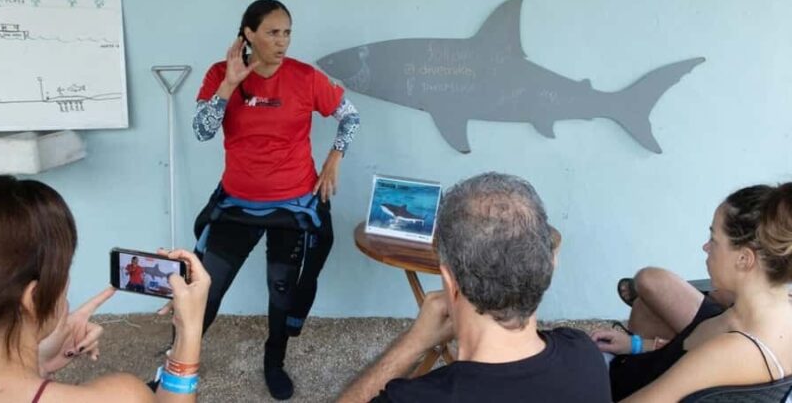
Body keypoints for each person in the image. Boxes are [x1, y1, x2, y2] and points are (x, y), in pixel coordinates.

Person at [190, 0, 360, 400]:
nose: (282, 41)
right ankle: (179, 363)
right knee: (206, 290)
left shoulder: (305, 77)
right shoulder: (220, 73)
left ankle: (274, 362)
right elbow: (201, 131)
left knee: (281, 290)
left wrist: (334, 159)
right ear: (248, 34)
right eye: (272, 32)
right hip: (237, 204)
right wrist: (229, 85)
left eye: (287, 32)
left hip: (293, 205)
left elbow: (350, 115)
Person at [339, 172, 612, 403]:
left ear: (450, 282)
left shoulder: (416, 397)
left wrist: (413, 344)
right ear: (551, 263)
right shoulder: (584, 355)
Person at [0, 175, 211, 402]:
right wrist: (189, 332)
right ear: (35, 298)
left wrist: (39, 363)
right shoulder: (123, 396)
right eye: (64, 270)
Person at [592, 183, 792, 401]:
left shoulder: (731, 351)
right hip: (638, 367)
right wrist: (636, 345)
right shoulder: (769, 314)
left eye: (714, 240)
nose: (706, 247)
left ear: (744, 259)